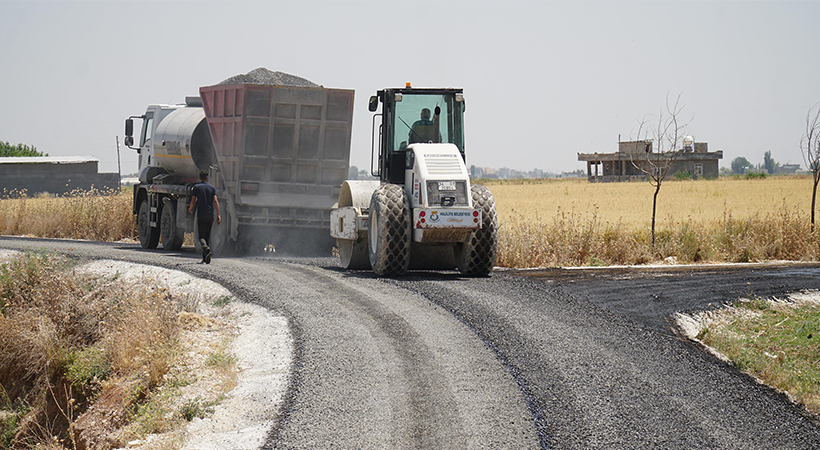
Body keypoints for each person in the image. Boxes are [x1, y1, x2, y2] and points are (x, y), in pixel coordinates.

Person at [188, 170, 221, 264]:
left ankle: (206, 249)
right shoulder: (212, 188)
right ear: (207, 177)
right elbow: (215, 201)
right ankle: (205, 258)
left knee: (201, 236)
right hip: (210, 214)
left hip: (201, 214)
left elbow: (193, 201)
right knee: (207, 236)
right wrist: (218, 214)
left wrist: (190, 209)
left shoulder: (196, 187)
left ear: (200, 177)